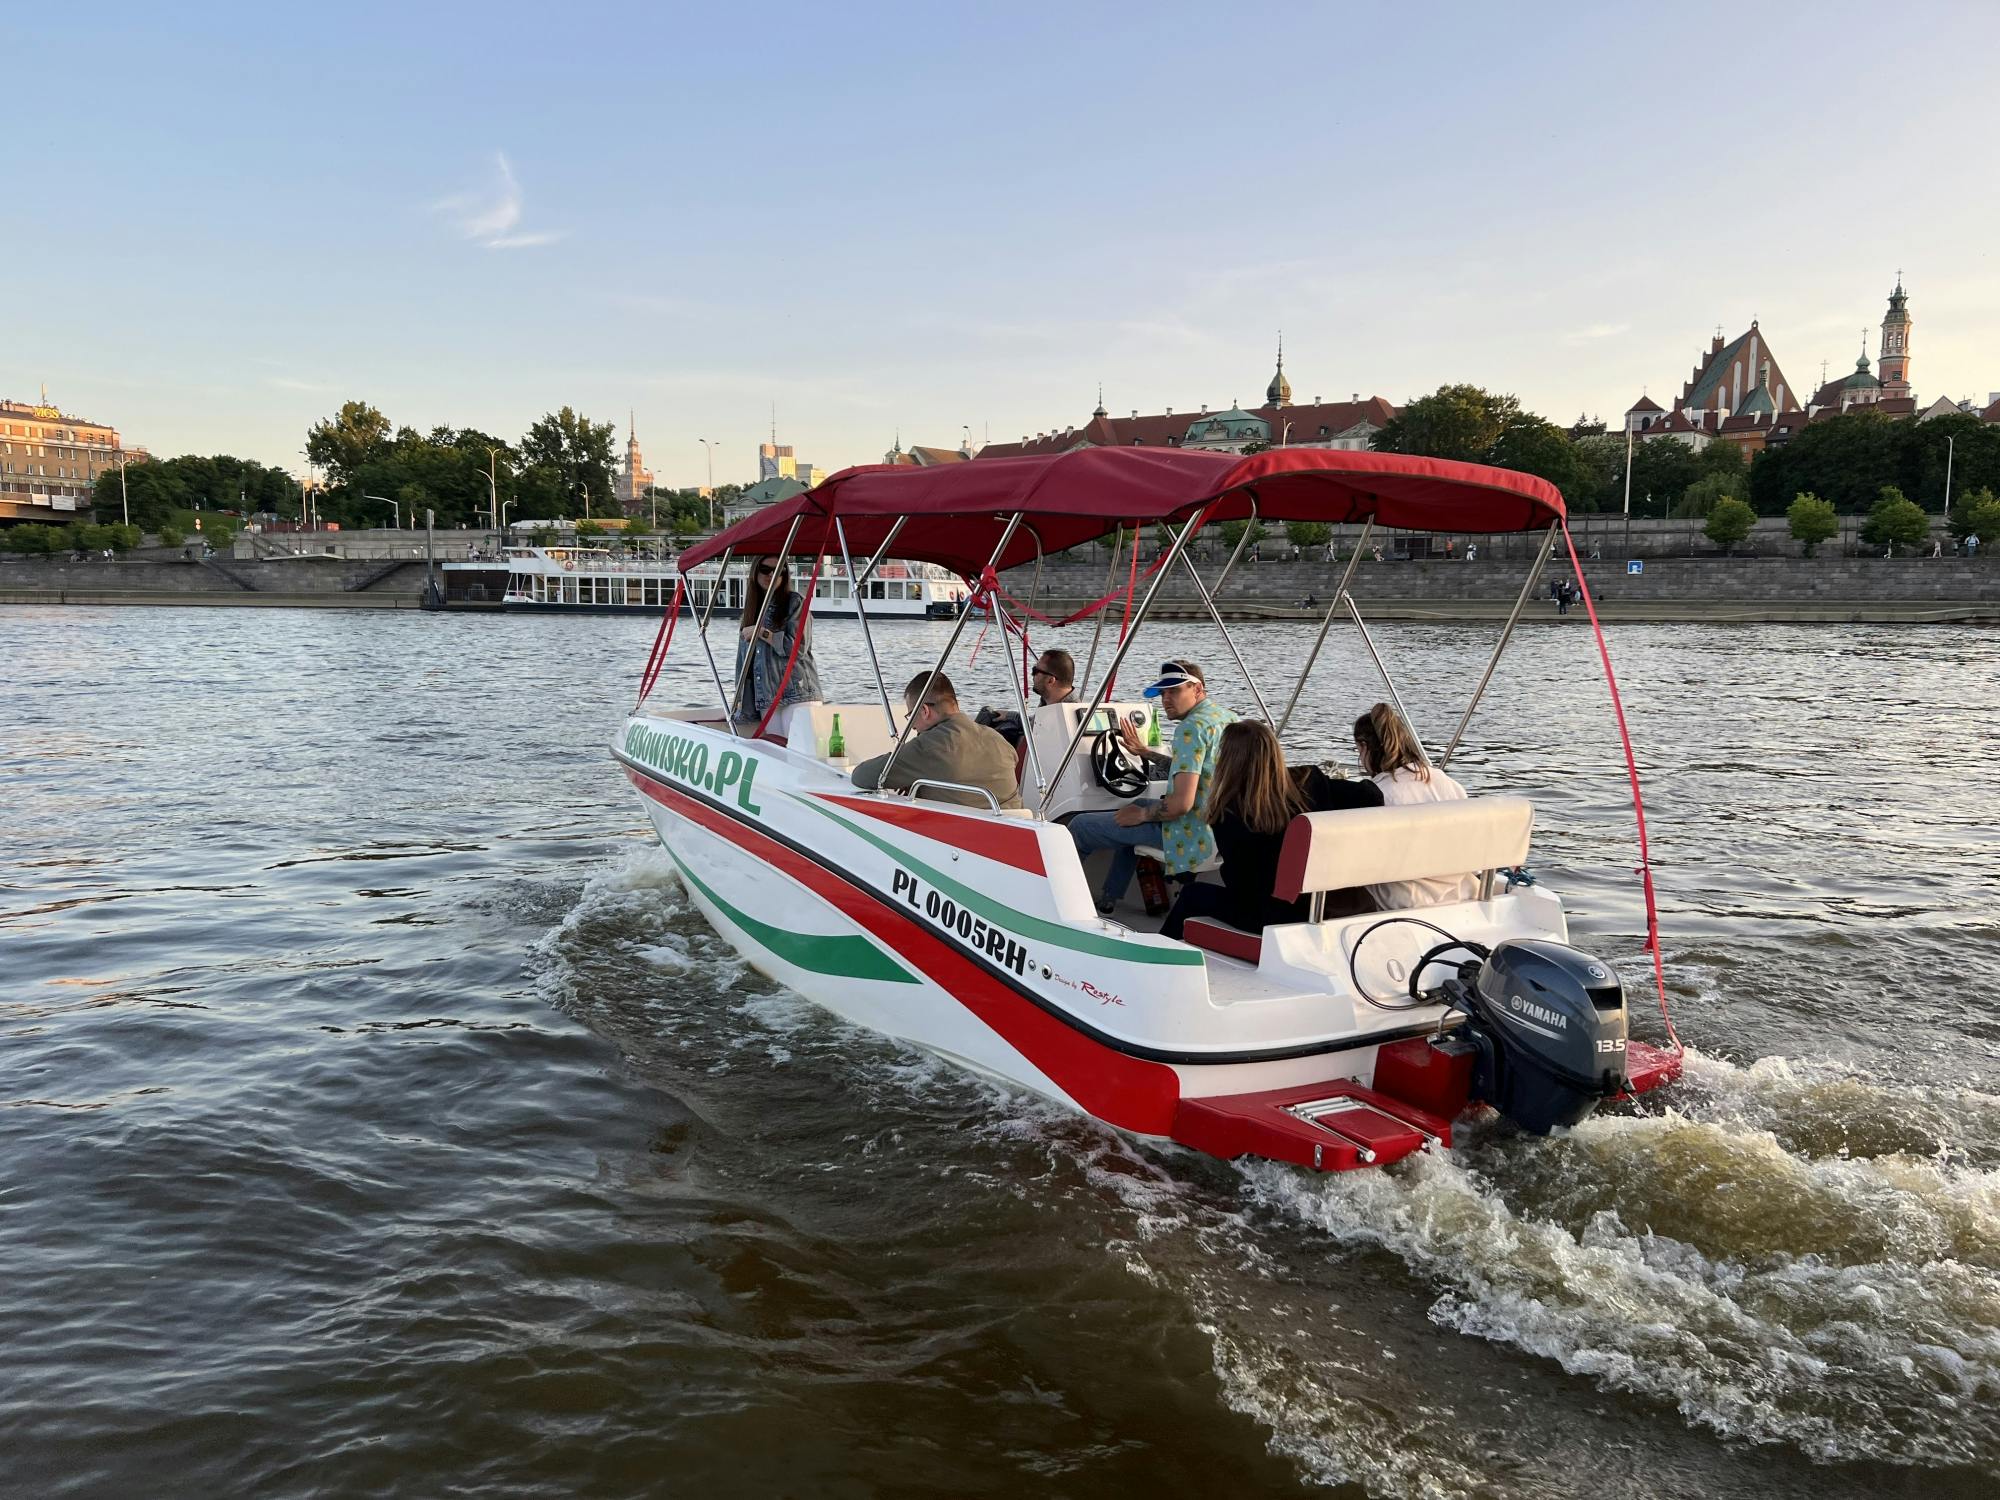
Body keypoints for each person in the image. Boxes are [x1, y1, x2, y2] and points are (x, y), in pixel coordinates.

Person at [1161, 722, 1382, 940]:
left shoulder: (1230, 811)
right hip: (1335, 902)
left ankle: (1156, 952)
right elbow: (1372, 796)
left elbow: (1240, 883)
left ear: (1229, 760)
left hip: (1279, 914)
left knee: (1193, 894)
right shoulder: (1310, 780)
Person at [1067, 660, 1236, 914]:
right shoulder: (1225, 718)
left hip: (1188, 837)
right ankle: (1109, 898)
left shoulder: (1189, 729)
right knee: (1133, 807)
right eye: (1163, 693)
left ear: (1198, 690)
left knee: (1079, 827)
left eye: (1175, 690)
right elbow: (1197, 772)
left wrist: (1143, 816)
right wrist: (1145, 753)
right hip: (1219, 833)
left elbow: (1181, 805)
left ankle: (1067, 906)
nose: (1166, 699)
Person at [1351, 702, 1476, 909]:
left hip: (1404, 898)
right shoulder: (1445, 782)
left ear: (1364, 747)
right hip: (1460, 889)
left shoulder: (1375, 794)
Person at [850, 672, 1023, 810]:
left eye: (911, 716)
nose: (912, 727)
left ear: (924, 711)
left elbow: (863, 776)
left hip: (962, 840)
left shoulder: (932, 745)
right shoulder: (998, 740)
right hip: (1019, 832)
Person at [733, 556, 822, 728]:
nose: (772, 575)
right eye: (765, 570)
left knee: (800, 749)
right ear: (755, 572)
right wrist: (740, 705)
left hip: (798, 693)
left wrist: (762, 632)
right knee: (777, 748)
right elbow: (743, 663)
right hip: (766, 698)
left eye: (779, 571)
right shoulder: (750, 611)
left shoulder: (795, 603)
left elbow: (797, 648)